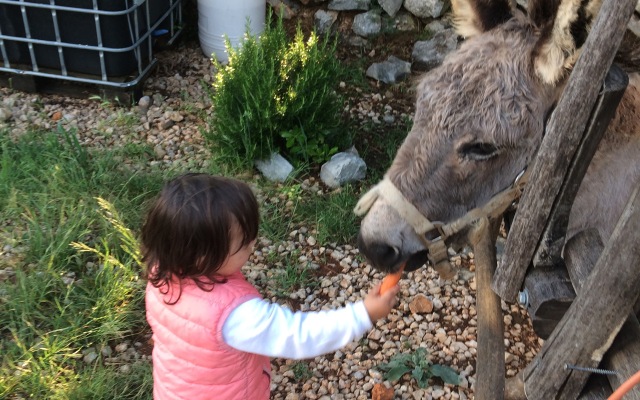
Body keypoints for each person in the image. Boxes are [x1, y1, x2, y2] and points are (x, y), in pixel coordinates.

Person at [141, 173, 400, 400]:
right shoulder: (234, 316)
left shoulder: (160, 277)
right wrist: (363, 313)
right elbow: (299, 335)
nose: (253, 244)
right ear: (203, 257)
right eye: (243, 243)